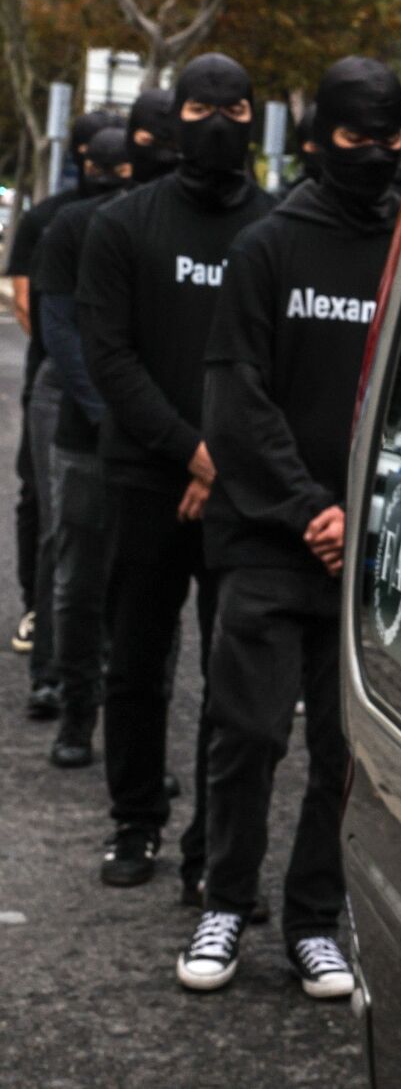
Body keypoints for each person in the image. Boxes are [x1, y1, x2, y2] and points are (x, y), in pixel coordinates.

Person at [177, 57, 401, 999]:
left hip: (363, 552)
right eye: (358, 138)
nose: (377, 157)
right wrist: (312, 509)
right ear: (318, 137)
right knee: (248, 731)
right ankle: (225, 902)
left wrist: (365, 513)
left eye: (391, 139)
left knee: (342, 755)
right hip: (269, 540)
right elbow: (236, 400)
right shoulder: (270, 247)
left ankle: (315, 917)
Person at [81, 54, 273, 891]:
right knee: (136, 662)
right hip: (144, 476)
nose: (220, 123)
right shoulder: (122, 225)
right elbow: (109, 358)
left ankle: (213, 852)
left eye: (236, 107)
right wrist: (189, 448)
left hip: (239, 487)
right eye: (203, 107)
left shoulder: (275, 229)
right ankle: (135, 821)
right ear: (176, 116)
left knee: (232, 679)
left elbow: (278, 362)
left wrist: (222, 456)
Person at [38, 102, 165, 767]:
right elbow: (60, 329)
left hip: (154, 447)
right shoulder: (74, 224)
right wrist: (113, 411)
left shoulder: (179, 231)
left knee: (147, 602)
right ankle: (76, 713)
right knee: (79, 582)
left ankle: (133, 742)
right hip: (88, 438)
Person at [12, 111, 123, 707]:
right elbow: (40, 311)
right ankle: (52, 659)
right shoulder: (52, 221)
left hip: (109, 398)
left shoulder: (136, 219)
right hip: (59, 391)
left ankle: (90, 651)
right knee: (54, 520)